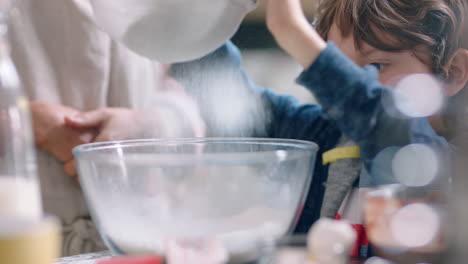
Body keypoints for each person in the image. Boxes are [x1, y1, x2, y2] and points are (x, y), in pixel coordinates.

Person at [169, 0, 467, 257]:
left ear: (451, 74)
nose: (344, 84)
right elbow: (234, 103)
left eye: (376, 66)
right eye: (339, 63)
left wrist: (293, 32)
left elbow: (392, 127)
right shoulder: (328, 137)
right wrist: (186, 18)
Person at [8, 0, 204, 256]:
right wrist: (26, 123)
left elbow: (186, 94)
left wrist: (153, 125)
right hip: (24, 245)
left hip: (142, 242)